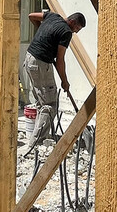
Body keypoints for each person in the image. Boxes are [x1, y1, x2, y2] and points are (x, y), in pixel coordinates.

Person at [22, 9, 85, 150]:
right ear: (72, 22)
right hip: (40, 63)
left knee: (41, 103)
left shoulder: (52, 16)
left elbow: (31, 16)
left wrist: (41, 31)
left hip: (30, 59)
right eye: (77, 28)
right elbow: (60, 59)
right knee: (50, 105)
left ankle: (37, 137)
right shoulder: (66, 32)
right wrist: (64, 81)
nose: (76, 32)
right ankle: (36, 143)